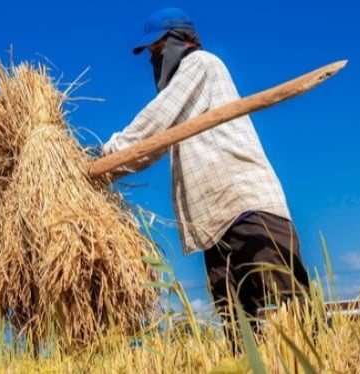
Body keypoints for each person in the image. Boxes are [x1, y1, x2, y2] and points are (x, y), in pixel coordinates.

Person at [101, 7, 311, 345]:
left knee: (292, 310)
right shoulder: (181, 101)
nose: (155, 60)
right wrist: (109, 169)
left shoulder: (201, 65)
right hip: (213, 226)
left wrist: (109, 151)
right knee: (237, 327)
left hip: (247, 206)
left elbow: (155, 119)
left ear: (179, 41)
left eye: (158, 50)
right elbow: (150, 146)